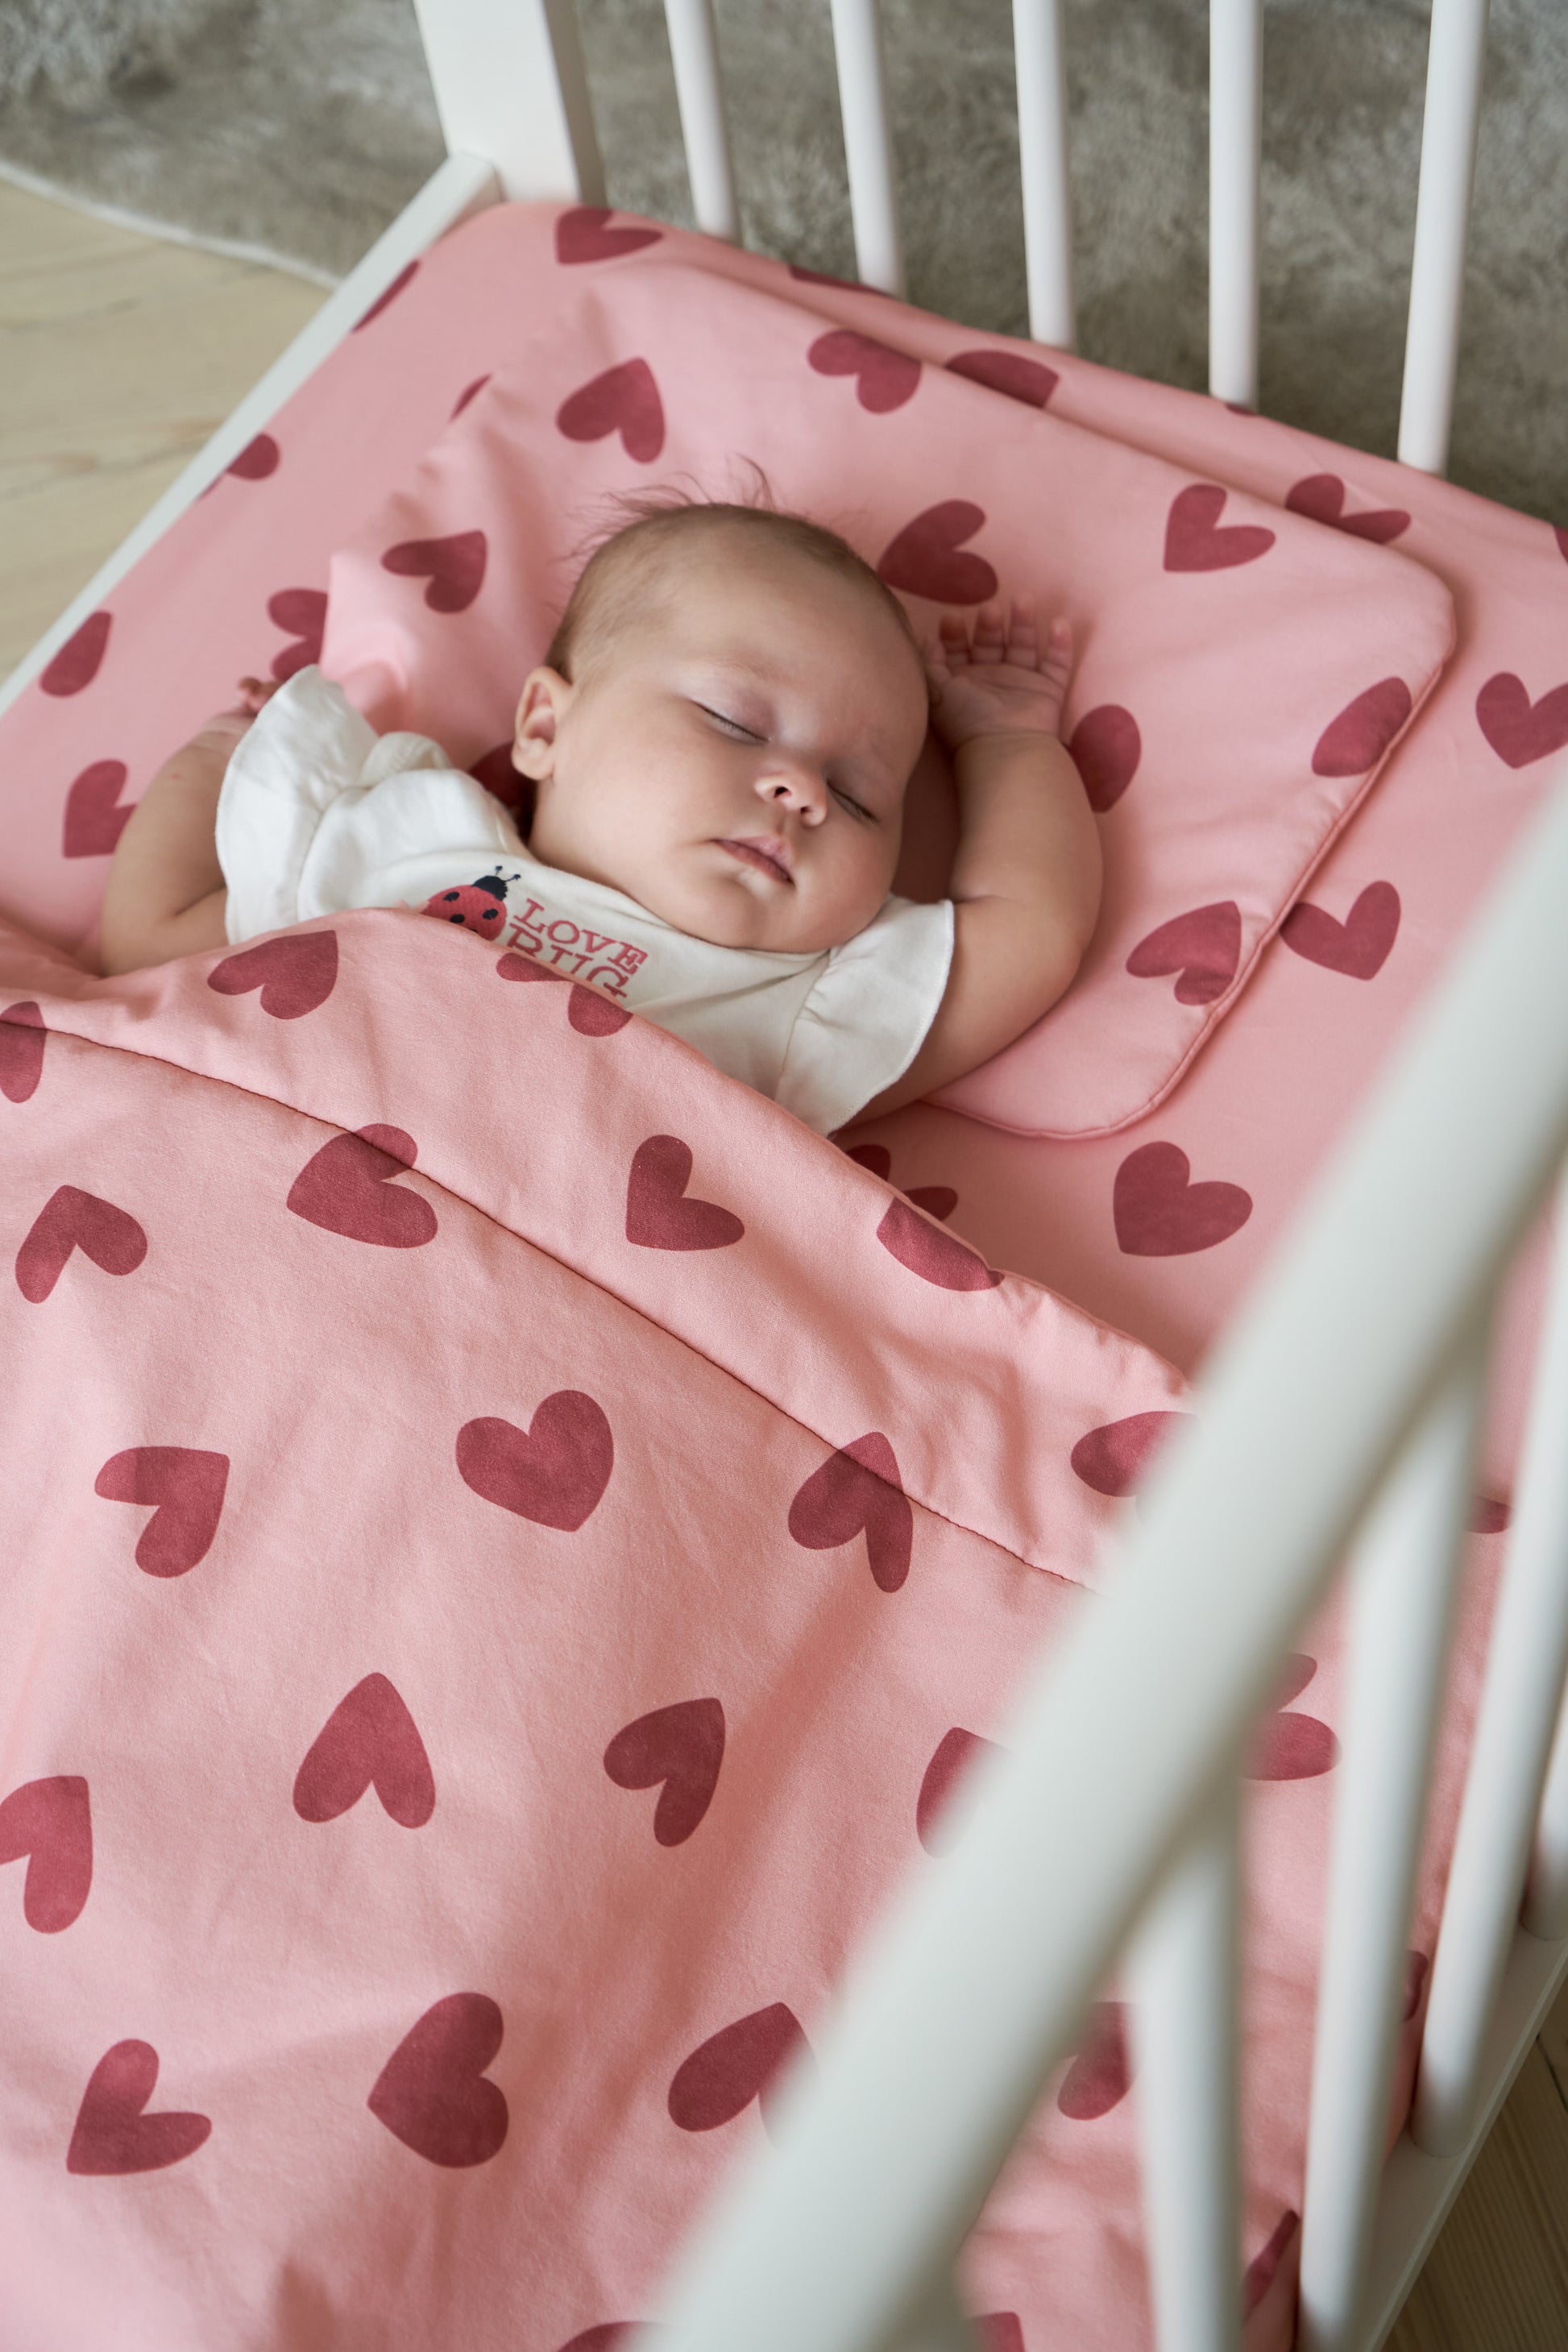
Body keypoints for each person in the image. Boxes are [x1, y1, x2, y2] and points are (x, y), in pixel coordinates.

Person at [97, 500, 1102, 1135]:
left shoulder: (793, 1006)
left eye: (856, 797)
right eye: (730, 721)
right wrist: (223, 751)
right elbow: (153, 953)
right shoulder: (394, 840)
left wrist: (1007, 742)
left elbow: (1027, 931)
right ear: (542, 724)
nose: (799, 790)